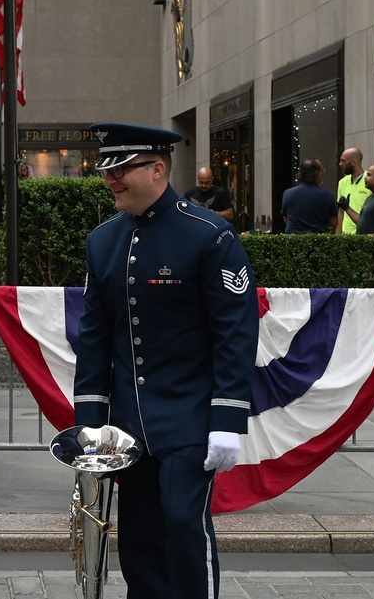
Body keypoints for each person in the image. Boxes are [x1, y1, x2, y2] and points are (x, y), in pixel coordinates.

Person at [73, 123, 258, 599]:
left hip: (190, 416)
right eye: (106, 170)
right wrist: (91, 423)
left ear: (158, 169)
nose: (110, 179)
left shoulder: (210, 235)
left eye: (121, 169)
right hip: (129, 422)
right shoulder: (102, 241)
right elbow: (94, 339)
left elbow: (235, 332)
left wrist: (228, 416)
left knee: (183, 524)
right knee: (137, 536)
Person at [280, 158, 339, 234]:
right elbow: (334, 222)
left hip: (293, 239)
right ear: (317, 174)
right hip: (317, 238)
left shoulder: (288, 193)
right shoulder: (327, 194)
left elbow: (286, 218)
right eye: (322, 170)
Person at [335, 147, 371, 234]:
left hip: (364, 235)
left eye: (343, 161)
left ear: (353, 162)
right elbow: (341, 213)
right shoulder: (342, 182)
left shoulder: (369, 180)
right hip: (346, 236)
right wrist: (337, 237)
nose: (340, 164)